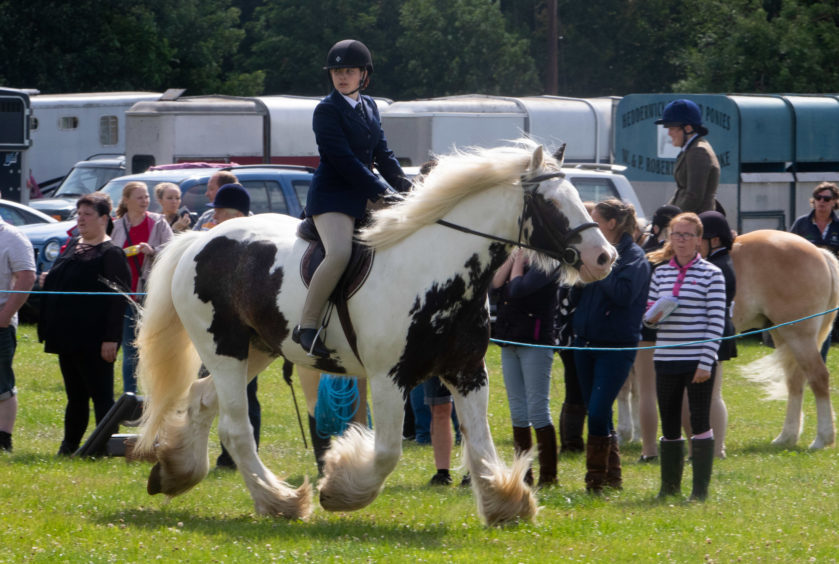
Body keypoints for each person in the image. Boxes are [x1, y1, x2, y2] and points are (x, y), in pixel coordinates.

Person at [293, 38, 411, 358]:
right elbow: (344, 161)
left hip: (363, 195)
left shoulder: (370, 106)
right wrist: (381, 192)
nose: (341, 77)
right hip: (333, 198)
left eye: (348, 71)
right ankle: (308, 324)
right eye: (336, 71)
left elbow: (383, 155)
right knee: (340, 253)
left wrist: (409, 191)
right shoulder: (326, 111)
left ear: (363, 74)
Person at [38, 193, 131, 456]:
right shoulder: (72, 245)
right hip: (67, 335)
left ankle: (104, 448)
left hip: (96, 338)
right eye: (78, 215)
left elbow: (119, 298)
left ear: (104, 219)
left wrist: (111, 339)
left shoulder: (111, 253)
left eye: (87, 214)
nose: (81, 219)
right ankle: (69, 447)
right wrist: (50, 279)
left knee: (102, 397)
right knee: (75, 396)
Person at [645, 212, 726, 501]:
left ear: (698, 240)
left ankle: (700, 490)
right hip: (666, 358)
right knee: (668, 421)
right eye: (676, 234)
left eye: (687, 235)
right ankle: (669, 488)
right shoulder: (660, 272)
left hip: (698, 360)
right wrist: (652, 317)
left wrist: (706, 361)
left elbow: (717, 322)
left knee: (700, 420)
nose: (680, 240)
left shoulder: (712, 274)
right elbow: (648, 313)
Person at [573, 199, 650, 493]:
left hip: (615, 346)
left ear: (611, 224)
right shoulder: (597, 252)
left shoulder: (634, 257)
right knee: (599, 411)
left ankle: (595, 480)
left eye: (595, 220)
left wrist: (599, 271)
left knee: (596, 411)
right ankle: (612, 476)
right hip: (585, 342)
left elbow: (624, 295)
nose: (591, 225)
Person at [197, 182, 263, 470]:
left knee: (244, 392)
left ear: (235, 214)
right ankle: (228, 452)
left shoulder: (254, 244)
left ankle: (239, 454)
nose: (215, 219)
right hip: (219, 330)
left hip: (247, 333)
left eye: (220, 214)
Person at [491, 249, 559, 486]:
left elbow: (518, 289)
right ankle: (524, 474)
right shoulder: (517, 257)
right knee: (518, 411)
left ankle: (549, 477)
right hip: (510, 340)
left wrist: (518, 260)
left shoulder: (548, 262)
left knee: (538, 410)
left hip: (535, 342)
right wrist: (511, 257)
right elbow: (495, 283)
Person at [679, 210, 733, 459]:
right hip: (714, 335)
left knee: (712, 397)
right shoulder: (721, 262)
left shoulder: (719, 267)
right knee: (711, 396)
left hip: (714, 335)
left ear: (715, 240)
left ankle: (717, 447)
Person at [111, 181, 173, 393]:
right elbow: (107, 255)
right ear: (126, 201)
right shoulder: (116, 226)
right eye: (139, 197)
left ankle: (157, 392)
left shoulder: (158, 223)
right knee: (130, 348)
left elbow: (171, 251)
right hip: (125, 294)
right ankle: (130, 396)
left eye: (146, 197)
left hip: (152, 293)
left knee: (156, 345)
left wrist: (152, 250)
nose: (145, 201)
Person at [633, 204, 682, 463]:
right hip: (680, 331)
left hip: (648, 329)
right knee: (681, 393)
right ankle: (690, 444)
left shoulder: (643, 254)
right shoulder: (683, 257)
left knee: (647, 392)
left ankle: (649, 450)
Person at [790, 181, 839, 357]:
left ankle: (820, 362)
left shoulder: (837, 227)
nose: (822, 202)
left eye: (826, 198)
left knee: (824, 326)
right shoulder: (802, 224)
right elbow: (789, 253)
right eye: (818, 198)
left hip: (831, 286)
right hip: (804, 285)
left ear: (834, 201)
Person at [0, 213, 36, 452]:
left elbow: (27, 276)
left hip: (0, 323)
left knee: (1, 385)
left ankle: (3, 440)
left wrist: (5, 316)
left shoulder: (13, 237)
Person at [656, 99, 720, 214]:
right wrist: (663, 213)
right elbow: (681, 191)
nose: (669, 133)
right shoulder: (690, 149)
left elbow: (693, 197)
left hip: (695, 222)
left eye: (672, 128)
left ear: (688, 128)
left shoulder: (698, 151)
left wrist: (673, 221)